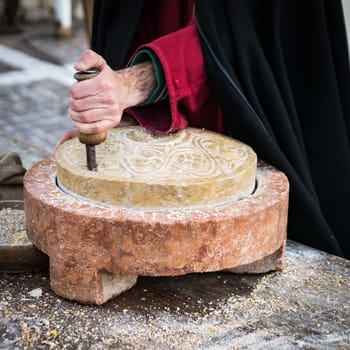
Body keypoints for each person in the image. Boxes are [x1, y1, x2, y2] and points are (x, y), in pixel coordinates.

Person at [66, 0, 350, 259]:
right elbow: (133, 16)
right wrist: (122, 117)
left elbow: (244, 31)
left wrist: (133, 84)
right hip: (161, 125)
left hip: (249, 125)